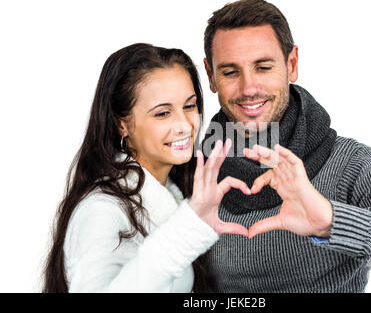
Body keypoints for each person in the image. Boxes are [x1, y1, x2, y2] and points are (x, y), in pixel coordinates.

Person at [198, 0, 371, 292]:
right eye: (230, 72)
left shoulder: (349, 164)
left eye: (263, 67)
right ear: (211, 75)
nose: (249, 88)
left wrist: (330, 221)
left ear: (292, 65)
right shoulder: (191, 172)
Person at [43, 43, 250, 292]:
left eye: (189, 106)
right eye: (163, 113)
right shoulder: (102, 211)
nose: (184, 125)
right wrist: (189, 230)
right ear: (122, 125)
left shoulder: (180, 192)